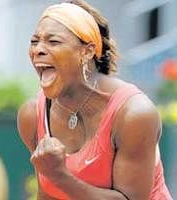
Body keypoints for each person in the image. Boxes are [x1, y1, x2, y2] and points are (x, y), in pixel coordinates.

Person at [17, 0, 172, 199]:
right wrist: (53, 177)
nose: (38, 49)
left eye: (53, 41)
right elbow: (48, 194)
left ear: (87, 51)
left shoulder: (134, 114)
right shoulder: (32, 115)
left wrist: (59, 176)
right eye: (34, 41)